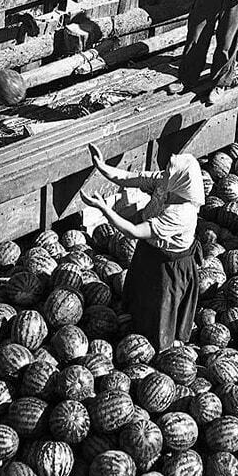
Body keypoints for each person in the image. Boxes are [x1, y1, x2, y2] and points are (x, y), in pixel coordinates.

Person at [81, 144, 203, 350]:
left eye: (168, 174)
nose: (163, 174)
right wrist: (102, 167)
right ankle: (135, 319)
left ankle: (160, 347)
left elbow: (134, 232)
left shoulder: (181, 214)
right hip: (151, 250)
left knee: (161, 306)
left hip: (171, 265)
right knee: (140, 291)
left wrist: (104, 209)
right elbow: (129, 179)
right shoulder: (166, 182)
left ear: (180, 182)